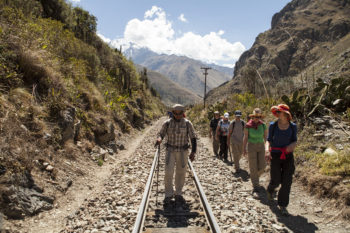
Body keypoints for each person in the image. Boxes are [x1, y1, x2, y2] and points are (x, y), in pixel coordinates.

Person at [156, 104, 197, 205]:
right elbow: (161, 134)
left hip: (183, 151)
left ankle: (178, 193)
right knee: (168, 172)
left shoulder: (188, 123)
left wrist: (193, 152)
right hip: (170, 150)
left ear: (183, 113)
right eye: (176, 113)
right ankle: (168, 194)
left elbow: (193, 138)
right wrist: (159, 139)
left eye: (180, 113)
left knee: (181, 172)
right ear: (173, 113)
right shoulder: (167, 123)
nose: (178, 115)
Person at [265, 104, 297, 216]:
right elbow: (268, 140)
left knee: (287, 181)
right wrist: (267, 150)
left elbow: (295, 141)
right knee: (276, 178)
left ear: (286, 114)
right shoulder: (273, 125)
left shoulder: (293, 127)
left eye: (280, 112)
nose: (278, 114)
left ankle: (283, 205)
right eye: (277, 112)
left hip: (288, 156)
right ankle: (270, 188)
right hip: (275, 155)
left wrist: (291, 146)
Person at [243, 108, 267, 198]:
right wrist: (244, 148)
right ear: (252, 117)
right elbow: (245, 137)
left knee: (262, 166)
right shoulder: (247, 126)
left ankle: (254, 177)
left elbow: (266, 137)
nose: (257, 118)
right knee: (253, 166)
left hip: (261, 146)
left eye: (258, 117)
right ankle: (256, 186)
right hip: (251, 146)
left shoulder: (263, 125)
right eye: (255, 117)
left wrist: (268, 149)